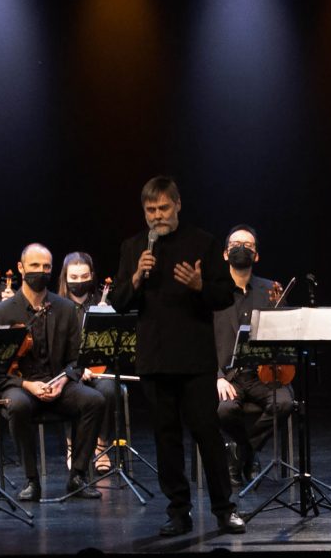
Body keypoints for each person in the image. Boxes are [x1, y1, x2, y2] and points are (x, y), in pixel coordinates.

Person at [115, 176, 244, 536]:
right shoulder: (133, 248)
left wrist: (199, 286)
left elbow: (224, 296)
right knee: (166, 438)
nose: (157, 216)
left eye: (163, 208)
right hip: (155, 360)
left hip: (195, 360)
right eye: (150, 210)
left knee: (207, 433)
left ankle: (224, 508)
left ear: (178, 205)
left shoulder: (202, 242)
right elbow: (118, 302)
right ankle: (178, 511)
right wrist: (138, 278)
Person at [0, 243, 97, 503]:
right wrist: (27, 385)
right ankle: (31, 480)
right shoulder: (3, 312)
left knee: (94, 400)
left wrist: (62, 381)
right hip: (21, 386)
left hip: (57, 383)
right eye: (35, 266)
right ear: (21, 268)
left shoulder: (64, 308)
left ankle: (78, 476)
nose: (41, 271)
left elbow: (75, 359)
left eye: (46, 267)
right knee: (16, 405)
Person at [214, 225, 287, 485]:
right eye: (235, 245)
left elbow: (284, 337)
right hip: (227, 375)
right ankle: (249, 453)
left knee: (285, 403)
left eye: (248, 245)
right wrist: (217, 377)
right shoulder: (212, 292)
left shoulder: (271, 290)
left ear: (256, 256)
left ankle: (241, 452)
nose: (241, 249)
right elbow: (199, 340)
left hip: (261, 374)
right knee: (224, 411)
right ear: (225, 254)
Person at [64, 252, 121, 476]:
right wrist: (78, 369)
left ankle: (101, 446)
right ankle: (72, 446)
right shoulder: (58, 306)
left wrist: (109, 318)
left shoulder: (103, 302)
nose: (79, 282)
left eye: (84, 276)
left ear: (91, 275)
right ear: (65, 278)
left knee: (107, 390)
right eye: (74, 277)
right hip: (69, 370)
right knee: (66, 390)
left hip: (99, 369)